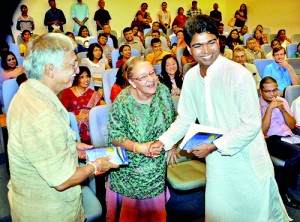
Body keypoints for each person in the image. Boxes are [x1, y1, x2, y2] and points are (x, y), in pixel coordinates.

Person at [150, 14, 291, 222]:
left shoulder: (238, 74)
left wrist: (214, 146)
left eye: (211, 42)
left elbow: (252, 125)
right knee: (220, 213)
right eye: (198, 46)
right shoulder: (190, 77)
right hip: (218, 163)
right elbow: (185, 118)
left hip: (248, 160)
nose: (206, 51)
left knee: (255, 214)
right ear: (189, 49)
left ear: (219, 41)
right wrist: (162, 142)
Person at [6, 32, 119, 221]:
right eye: (72, 64)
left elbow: (38, 143)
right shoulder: (41, 113)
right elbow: (63, 180)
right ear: (50, 70)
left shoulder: (29, 91)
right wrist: (96, 165)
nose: (76, 71)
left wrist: (72, 145)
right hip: (49, 212)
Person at [106, 56, 177, 222]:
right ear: (132, 82)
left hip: (157, 163)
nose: (151, 79)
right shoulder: (122, 102)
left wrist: (172, 144)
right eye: (143, 77)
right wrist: (139, 148)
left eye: (152, 73)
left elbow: (173, 120)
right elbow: (116, 136)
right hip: (131, 166)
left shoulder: (163, 92)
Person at [260, 76, 300, 209]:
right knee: (297, 154)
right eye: (268, 91)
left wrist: (283, 109)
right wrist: (270, 109)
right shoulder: (256, 104)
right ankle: (283, 191)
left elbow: (292, 124)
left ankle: (292, 184)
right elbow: (262, 131)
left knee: (297, 152)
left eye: (275, 90)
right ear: (261, 91)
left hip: (289, 136)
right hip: (271, 139)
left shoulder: (282, 101)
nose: (272, 94)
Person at [61, 66, 103, 144]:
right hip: (73, 121)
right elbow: (64, 112)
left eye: (87, 76)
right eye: (82, 77)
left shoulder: (94, 94)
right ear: (77, 79)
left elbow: (97, 113)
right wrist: (77, 117)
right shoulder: (68, 92)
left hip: (90, 121)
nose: (86, 80)